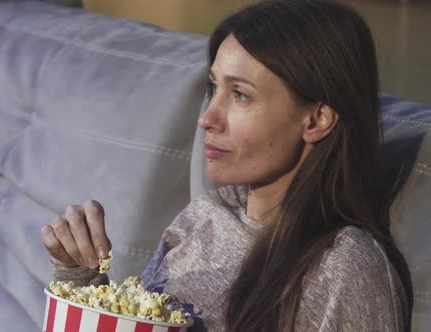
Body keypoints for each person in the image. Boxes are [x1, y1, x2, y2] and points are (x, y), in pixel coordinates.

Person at [40, 0, 413, 330]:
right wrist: (81, 276)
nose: (208, 117)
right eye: (213, 88)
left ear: (316, 119)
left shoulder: (346, 270)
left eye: (240, 95)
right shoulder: (205, 215)